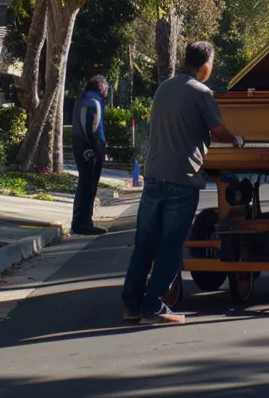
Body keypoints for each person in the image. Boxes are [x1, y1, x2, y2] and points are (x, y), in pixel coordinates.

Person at [121, 41, 241, 325]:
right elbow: (218, 131)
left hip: (154, 177)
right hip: (182, 179)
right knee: (171, 249)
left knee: (145, 245)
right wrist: (238, 139)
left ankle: (131, 306)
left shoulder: (164, 87)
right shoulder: (202, 92)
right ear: (205, 66)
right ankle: (153, 307)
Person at [70, 75, 110, 236]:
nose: (107, 91)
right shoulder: (92, 103)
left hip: (86, 149)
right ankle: (82, 222)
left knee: (87, 185)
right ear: (101, 87)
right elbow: (89, 128)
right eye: (106, 87)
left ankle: (84, 221)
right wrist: (90, 149)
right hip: (89, 150)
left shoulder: (86, 102)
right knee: (87, 186)